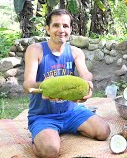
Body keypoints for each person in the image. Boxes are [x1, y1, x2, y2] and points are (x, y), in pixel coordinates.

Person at [23, 9, 110, 158]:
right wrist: (45, 88)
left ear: (70, 29)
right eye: (56, 25)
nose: (61, 30)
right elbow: (28, 84)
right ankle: (42, 138)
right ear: (48, 29)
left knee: (104, 132)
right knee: (50, 151)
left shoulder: (76, 52)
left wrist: (87, 84)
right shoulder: (35, 50)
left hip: (71, 112)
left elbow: (85, 73)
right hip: (43, 116)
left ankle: (66, 129)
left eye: (65, 26)